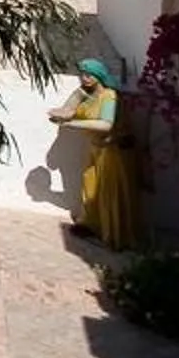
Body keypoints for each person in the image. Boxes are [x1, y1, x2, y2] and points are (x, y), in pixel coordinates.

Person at [48, 59, 144, 251]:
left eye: (88, 74)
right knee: (91, 187)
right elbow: (67, 111)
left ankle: (115, 235)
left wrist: (72, 124)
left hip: (113, 150)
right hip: (96, 147)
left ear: (99, 76)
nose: (84, 78)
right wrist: (75, 97)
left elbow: (106, 124)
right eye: (82, 74)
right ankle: (92, 225)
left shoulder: (109, 96)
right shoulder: (87, 94)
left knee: (109, 192)